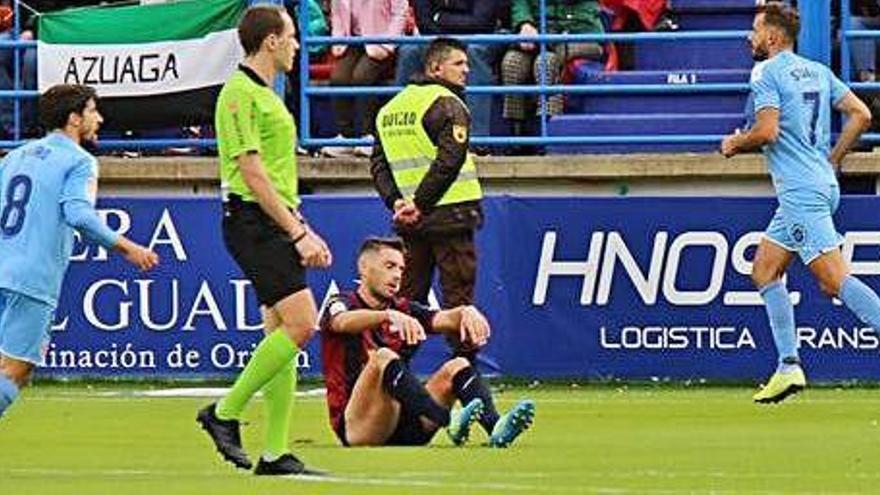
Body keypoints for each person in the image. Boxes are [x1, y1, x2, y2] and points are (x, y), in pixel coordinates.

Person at [195, 4, 332, 476]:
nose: (298, 44)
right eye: (292, 36)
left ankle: (274, 452)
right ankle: (224, 413)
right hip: (252, 221)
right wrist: (296, 232)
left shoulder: (268, 95)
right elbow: (251, 173)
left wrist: (300, 224)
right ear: (270, 41)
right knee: (302, 325)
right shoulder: (238, 93)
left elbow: (273, 173)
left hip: (273, 219)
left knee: (281, 333)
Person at [720, 3, 878, 404]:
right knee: (764, 269)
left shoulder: (765, 72)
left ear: (772, 37)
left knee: (833, 280)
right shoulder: (818, 71)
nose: (751, 38)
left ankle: (790, 365)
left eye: (756, 31)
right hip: (820, 183)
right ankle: (788, 366)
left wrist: (736, 143)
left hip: (800, 192)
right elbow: (860, 114)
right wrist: (834, 159)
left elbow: (768, 131)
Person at [371, 37, 508, 438]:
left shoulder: (390, 109)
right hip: (450, 221)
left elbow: (378, 163)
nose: (466, 70)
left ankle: (393, 399)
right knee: (461, 312)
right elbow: (451, 158)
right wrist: (422, 203)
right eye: (458, 64)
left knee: (405, 312)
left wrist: (399, 202)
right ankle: (479, 411)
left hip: (412, 226)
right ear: (435, 69)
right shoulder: (449, 104)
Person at [0, 84, 159, 419]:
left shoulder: (14, 157)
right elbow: (79, 214)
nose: (99, 119)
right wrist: (127, 247)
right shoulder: (79, 161)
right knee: (15, 370)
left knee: (14, 371)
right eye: (92, 111)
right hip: (31, 278)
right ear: (74, 119)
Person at [320, 237, 535, 447]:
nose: (396, 276)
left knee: (458, 365)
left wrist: (465, 311)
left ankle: (496, 427)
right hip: (360, 428)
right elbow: (341, 322)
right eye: (389, 266)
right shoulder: (341, 302)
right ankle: (448, 421)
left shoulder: (402, 308)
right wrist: (386, 316)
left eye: (401, 269)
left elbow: (443, 318)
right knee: (383, 357)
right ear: (364, 267)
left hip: (408, 425)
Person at [394, 0, 508, 147]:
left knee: (475, 52)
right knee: (409, 51)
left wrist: (440, 18)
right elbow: (424, 24)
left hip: (482, 36)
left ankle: (477, 141)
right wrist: (449, 33)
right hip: (439, 38)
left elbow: (481, 22)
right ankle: (401, 133)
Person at [319, 0, 409, 158]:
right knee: (338, 79)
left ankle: (367, 136)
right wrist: (338, 41)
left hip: (383, 41)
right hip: (352, 41)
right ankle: (346, 137)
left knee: (362, 76)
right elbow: (338, 15)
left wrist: (387, 45)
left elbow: (400, 13)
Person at [501, 0, 604, 132]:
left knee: (546, 62)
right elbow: (521, 4)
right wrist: (525, 24)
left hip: (581, 34)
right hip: (542, 34)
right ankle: (516, 132)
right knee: (512, 62)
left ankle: (547, 128)